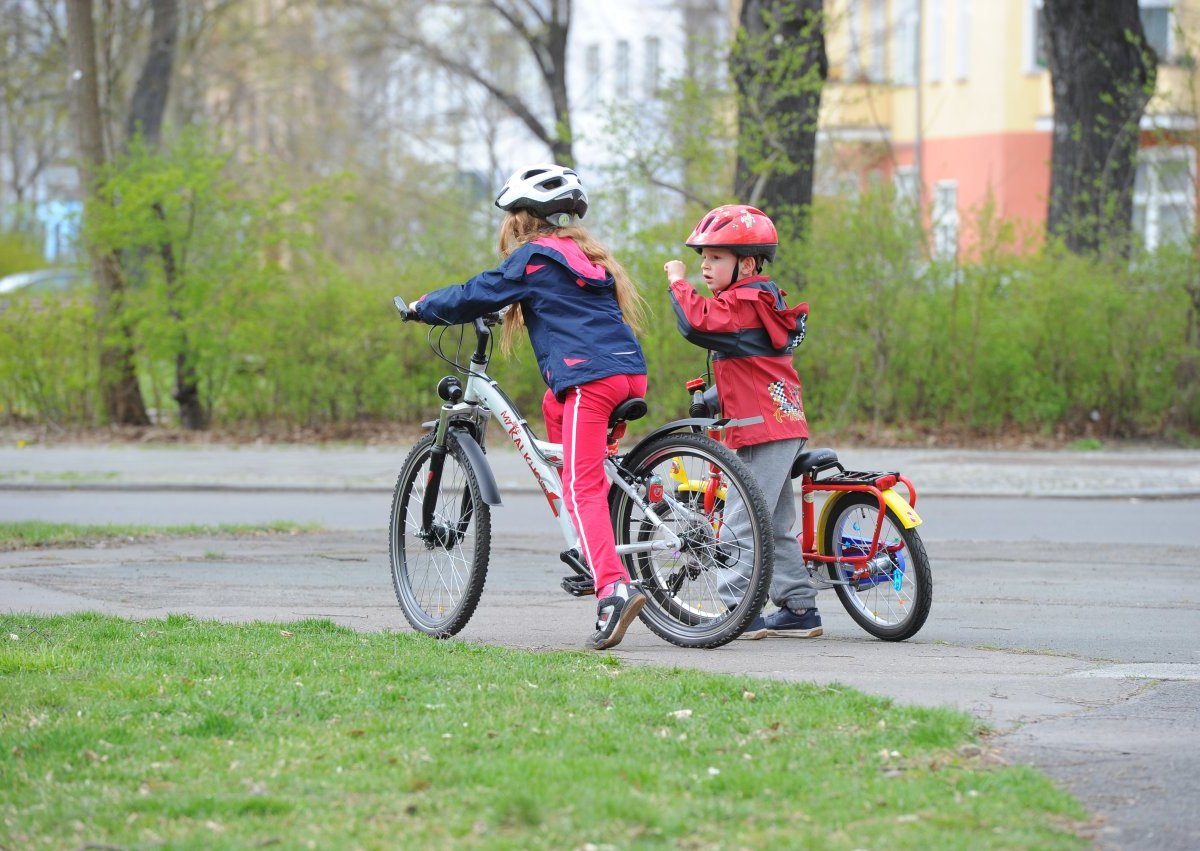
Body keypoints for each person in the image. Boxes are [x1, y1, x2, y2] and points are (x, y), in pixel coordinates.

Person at [408, 164, 649, 650]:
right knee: (555, 414)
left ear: (520, 219)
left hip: (589, 378)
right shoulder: (586, 255)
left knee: (580, 485)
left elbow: (475, 292)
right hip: (627, 372)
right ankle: (591, 545)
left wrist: (423, 306)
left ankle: (613, 590)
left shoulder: (533, 259)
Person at [662, 204, 821, 639]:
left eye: (715, 258)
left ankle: (739, 608)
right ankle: (798, 606)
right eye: (702, 259)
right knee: (771, 522)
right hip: (773, 423)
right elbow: (754, 366)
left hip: (764, 428)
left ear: (746, 263)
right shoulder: (759, 301)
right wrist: (713, 399)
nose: (704, 267)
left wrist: (678, 282)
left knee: (740, 519)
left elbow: (696, 323)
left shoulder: (745, 301)